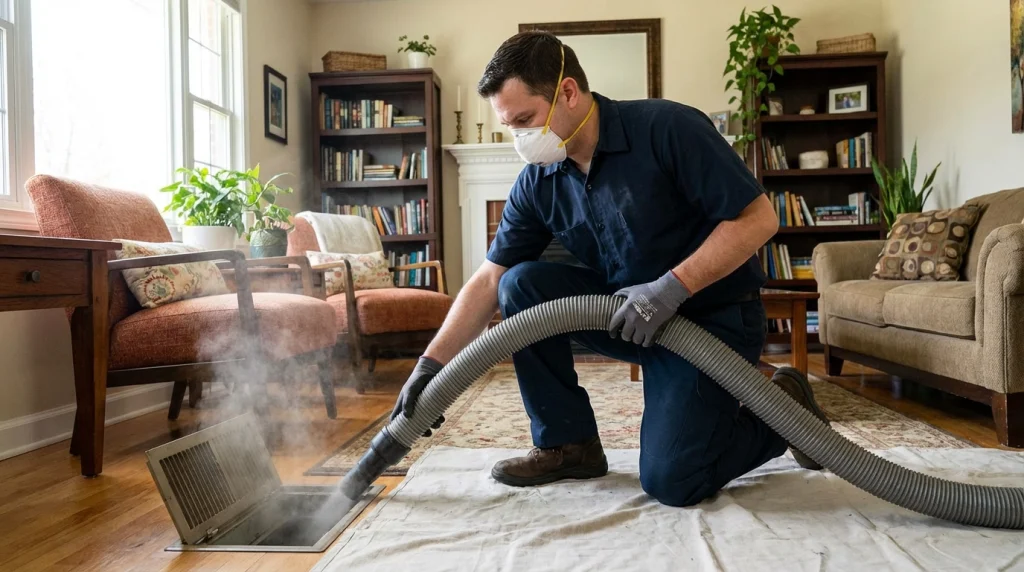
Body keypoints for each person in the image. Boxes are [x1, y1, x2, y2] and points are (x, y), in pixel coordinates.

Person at [390, 31, 828, 507]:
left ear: (568, 93)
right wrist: (430, 367)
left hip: (711, 321)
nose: (520, 138)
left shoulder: (668, 128)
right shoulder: (539, 180)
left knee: (673, 481)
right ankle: (568, 445)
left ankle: (785, 413)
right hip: (630, 318)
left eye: (525, 120)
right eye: (509, 126)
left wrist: (671, 288)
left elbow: (759, 219)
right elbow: (490, 278)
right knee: (520, 284)